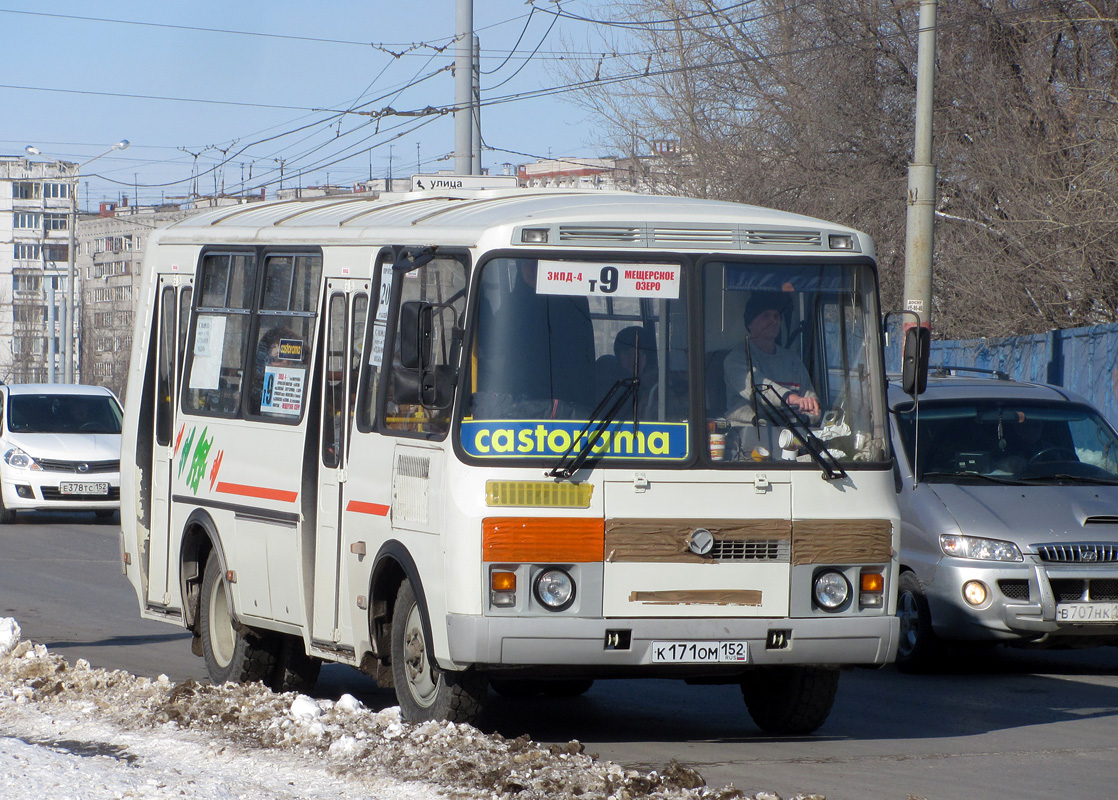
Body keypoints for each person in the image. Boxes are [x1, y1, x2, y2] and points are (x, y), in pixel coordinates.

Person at [724, 291, 820, 425]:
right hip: (752, 437)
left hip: (795, 437)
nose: (773, 321)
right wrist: (792, 399)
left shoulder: (792, 360)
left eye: (776, 316)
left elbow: (811, 401)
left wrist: (809, 416)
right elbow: (757, 388)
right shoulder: (737, 359)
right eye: (765, 316)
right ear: (750, 323)